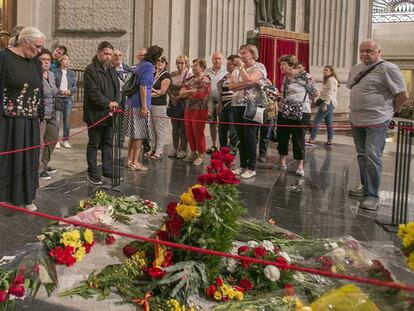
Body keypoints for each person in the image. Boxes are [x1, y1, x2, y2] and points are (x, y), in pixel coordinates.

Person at [347, 39, 408, 211]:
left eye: (369, 51)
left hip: (377, 121)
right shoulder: (357, 69)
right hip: (357, 119)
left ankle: (373, 196)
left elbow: (402, 95)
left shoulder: (388, 68)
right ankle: (366, 188)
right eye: (362, 51)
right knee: (361, 155)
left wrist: (389, 113)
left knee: (373, 156)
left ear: (379, 51)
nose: (364, 54)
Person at [0, 26, 45, 211]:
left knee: (29, 158)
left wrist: (40, 117)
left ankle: (26, 197)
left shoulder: (35, 62)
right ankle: (6, 197)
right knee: (10, 159)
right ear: (24, 41)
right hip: (8, 121)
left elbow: (39, 90)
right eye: (37, 46)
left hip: (30, 120)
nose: (39, 50)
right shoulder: (4, 57)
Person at [83, 41, 120, 185]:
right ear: (98, 53)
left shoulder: (111, 69)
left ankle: (107, 169)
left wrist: (115, 102)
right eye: (106, 54)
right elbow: (93, 93)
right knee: (94, 144)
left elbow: (117, 88)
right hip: (95, 114)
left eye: (110, 54)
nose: (108, 57)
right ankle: (92, 173)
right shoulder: (90, 70)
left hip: (110, 114)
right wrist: (108, 103)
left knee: (108, 143)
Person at [229, 44, 268, 179]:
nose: (241, 56)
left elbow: (249, 79)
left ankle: (251, 167)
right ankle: (243, 165)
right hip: (237, 104)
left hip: (254, 105)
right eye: (240, 53)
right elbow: (231, 86)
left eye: (244, 53)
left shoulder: (259, 67)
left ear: (252, 54)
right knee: (240, 136)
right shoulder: (236, 70)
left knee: (250, 136)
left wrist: (242, 70)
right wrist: (246, 84)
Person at [276, 54, 318, 177]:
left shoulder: (304, 76)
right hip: (285, 109)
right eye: (280, 64)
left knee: (298, 138)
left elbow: (315, 92)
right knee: (282, 136)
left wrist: (302, 99)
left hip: (301, 110)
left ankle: (300, 165)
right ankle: (282, 161)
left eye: (283, 64)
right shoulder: (285, 78)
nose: (280, 67)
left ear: (291, 65)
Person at [124, 45, 163, 171]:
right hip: (139, 104)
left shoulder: (141, 64)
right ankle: (135, 162)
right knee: (139, 135)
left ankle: (129, 160)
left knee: (133, 135)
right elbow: (143, 86)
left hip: (132, 102)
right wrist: (144, 107)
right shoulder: (148, 66)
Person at [180, 58, 211, 166]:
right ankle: (193, 152)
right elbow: (181, 93)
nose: (193, 67)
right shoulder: (190, 78)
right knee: (189, 131)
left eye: (195, 66)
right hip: (189, 107)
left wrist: (188, 92)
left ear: (202, 67)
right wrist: (191, 91)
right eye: (193, 66)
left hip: (200, 109)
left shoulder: (205, 79)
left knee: (198, 132)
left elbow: (200, 94)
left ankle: (201, 154)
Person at [38, 49, 59, 181]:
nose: (46, 62)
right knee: (39, 143)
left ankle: (44, 164)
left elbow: (54, 91)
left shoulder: (51, 75)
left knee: (53, 138)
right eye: (43, 59)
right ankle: (38, 169)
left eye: (48, 60)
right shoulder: (35, 75)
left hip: (51, 112)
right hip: (40, 114)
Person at [146, 55, 171, 159]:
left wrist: (147, 94)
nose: (160, 63)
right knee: (150, 127)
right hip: (149, 103)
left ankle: (159, 151)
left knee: (159, 128)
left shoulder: (166, 76)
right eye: (158, 61)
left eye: (162, 61)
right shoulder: (152, 73)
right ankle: (152, 148)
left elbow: (162, 92)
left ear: (166, 64)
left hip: (159, 105)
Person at [307, 65, 339, 146]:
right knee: (329, 122)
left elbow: (330, 93)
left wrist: (325, 104)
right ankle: (330, 140)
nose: (324, 71)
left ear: (331, 72)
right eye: (324, 70)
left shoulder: (331, 80)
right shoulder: (329, 80)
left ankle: (312, 139)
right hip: (329, 102)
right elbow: (323, 94)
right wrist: (316, 102)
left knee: (317, 120)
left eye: (326, 70)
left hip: (328, 102)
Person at [167, 54, 191, 159]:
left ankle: (183, 149)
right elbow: (167, 87)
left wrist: (178, 97)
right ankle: (175, 148)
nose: (180, 65)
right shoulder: (172, 74)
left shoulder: (189, 75)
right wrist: (171, 96)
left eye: (182, 63)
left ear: (186, 64)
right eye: (178, 63)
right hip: (173, 102)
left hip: (184, 103)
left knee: (183, 128)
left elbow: (190, 90)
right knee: (175, 127)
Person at [53, 54, 77, 149]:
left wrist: (70, 91)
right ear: (60, 61)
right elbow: (53, 85)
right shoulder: (55, 72)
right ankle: (56, 140)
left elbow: (75, 86)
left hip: (68, 98)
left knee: (67, 120)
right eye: (65, 60)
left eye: (68, 60)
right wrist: (60, 91)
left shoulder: (71, 73)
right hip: (58, 98)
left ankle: (65, 140)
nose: (67, 62)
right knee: (57, 121)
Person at [205, 52, 226, 154]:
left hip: (223, 101)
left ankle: (224, 146)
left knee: (222, 124)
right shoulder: (207, 71)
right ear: (212, 60)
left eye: (219, 59)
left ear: (222, 60)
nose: (217, 61)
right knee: (212, 123)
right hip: (210, 100)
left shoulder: (226, 71)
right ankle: (214, 145)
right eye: (215, 59)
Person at [217, 55, 238, 149]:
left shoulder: (238, 74)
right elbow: (220, 87)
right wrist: (220, 103)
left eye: (230, 64)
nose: (228, 66)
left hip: (233, 105)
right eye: (227, 64)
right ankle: (222, 150)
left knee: (233, 131)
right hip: (223, 105)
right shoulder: (226, 75)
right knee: (222, 130)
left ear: (236, 65)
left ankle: (231, 151)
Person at [112, 49, 130, 146]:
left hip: (124, 95)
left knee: (123, 118)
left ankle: (121, 140)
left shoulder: (127, 68)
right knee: (112, 117)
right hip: (113, 95)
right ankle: (110, 139)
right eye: (115, 55)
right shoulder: (110, 68)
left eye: (119, 55)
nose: (117, 57)